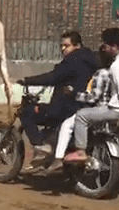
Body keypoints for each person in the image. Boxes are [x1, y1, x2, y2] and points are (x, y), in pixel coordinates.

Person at [17, 31, 99, 166]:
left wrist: (27, 80)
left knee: (27, 112)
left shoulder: (73, 60)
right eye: (61, 46)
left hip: (65, 107)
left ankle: (42, 146)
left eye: (66, 46)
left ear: (77, 45)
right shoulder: (90, 60)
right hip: (83, 105)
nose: (63, 49)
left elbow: (53, 77)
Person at [65, 28, 119, 164]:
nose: (104, 48)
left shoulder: (117, 65)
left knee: (82, 116)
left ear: (115, 46)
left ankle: (80, 152)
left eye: (106, 45)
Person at [43, 45, 114, 174]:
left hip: (97, 110)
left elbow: (93, 97)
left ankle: (58, 158)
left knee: (67, 125)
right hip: (111, 110)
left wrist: (75, 94)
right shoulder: (114, 72)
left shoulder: (101, 73)